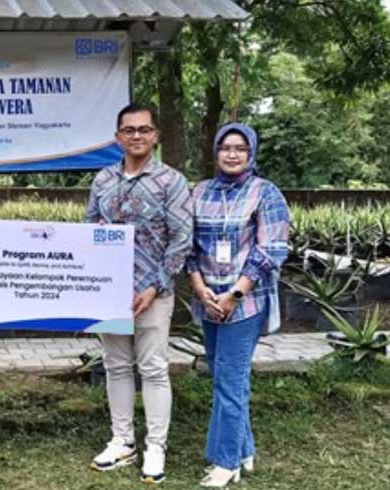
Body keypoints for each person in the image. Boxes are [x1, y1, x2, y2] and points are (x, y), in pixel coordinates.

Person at [85, 103, 193, 484]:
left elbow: (182, 239)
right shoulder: (102, 180)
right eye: (129, 130)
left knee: (153, 369)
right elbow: (88, 229)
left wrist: (154, 285)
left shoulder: (171, 181)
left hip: (153, 292)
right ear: (118, 137)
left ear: (155, 135)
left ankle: (156, 447)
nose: (136, 136)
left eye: (144, 129)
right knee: (115, 366)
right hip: (109, 291)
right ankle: (122, 441)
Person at [186, 123, 289, 487]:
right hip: (208, 300)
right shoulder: (199, 192)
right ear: (215, 152)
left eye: (240, 148)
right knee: (225, 377)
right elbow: (187, 245)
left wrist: (235, 295)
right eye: (225, 147)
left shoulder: (266, 192)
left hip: (245, 303)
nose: (232, 154)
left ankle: (225, 461)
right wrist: (201, 289)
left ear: (251, 153)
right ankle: (244, 450)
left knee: (229, 380)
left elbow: (271, 249)